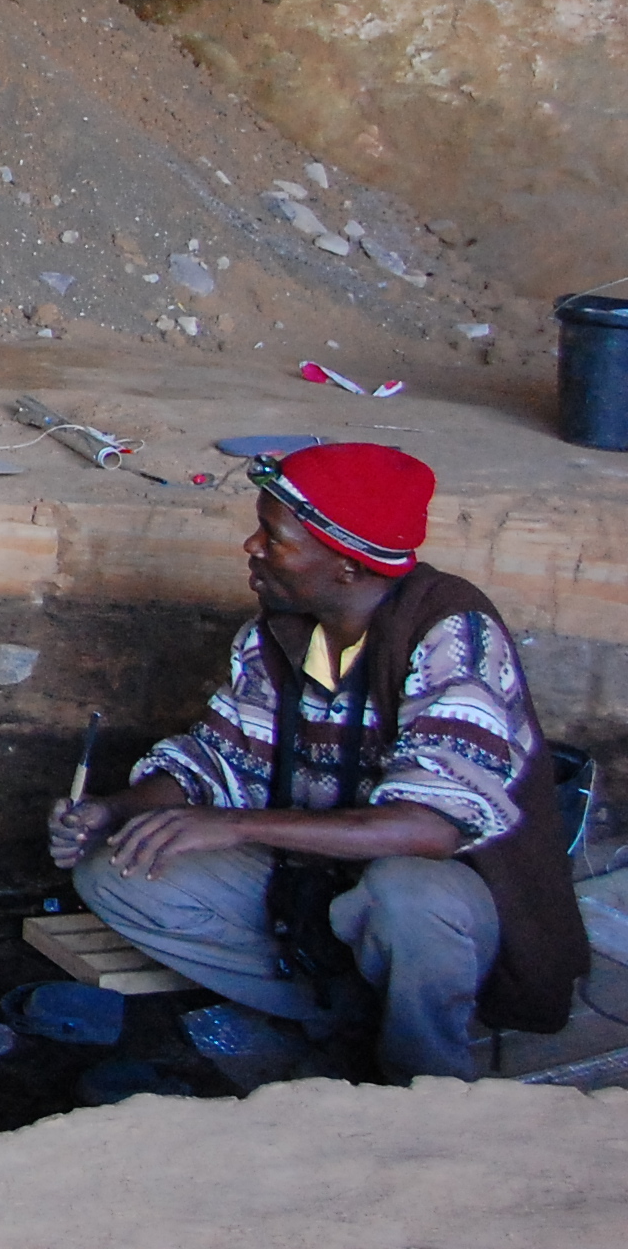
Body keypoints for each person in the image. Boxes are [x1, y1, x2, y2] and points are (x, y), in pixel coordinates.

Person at [49, 445, 586, 1081]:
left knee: (406, 896)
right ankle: (347, 1019)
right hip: (322, 885)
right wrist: (111, 810)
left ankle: (428, 1078)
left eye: (273, 538)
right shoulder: (281, 635)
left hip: (460, 911)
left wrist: (237, 827)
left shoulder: (449, 634)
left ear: (347, 567)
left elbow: (430, 828)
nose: (252, 546)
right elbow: (216, 761)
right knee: (118, 870)